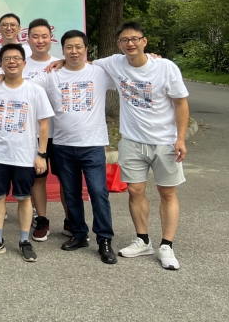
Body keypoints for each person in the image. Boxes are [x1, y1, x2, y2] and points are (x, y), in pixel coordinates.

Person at [95, 21, 189, 271]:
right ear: (118, 44)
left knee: (167, 193)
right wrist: (60, 62)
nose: (130, 43)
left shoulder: (165, 67)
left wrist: (180, 138)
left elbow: (181, 103)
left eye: (135, 39)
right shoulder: (114, 63)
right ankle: (143, 240)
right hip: (132, 141)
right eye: (125, 40)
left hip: (164, 142)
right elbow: (82, 64)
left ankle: (166, 245)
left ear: (144, 41)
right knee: (135, 191)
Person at [38, 30, 118, 264]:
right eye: (69, 48)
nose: (74, 51)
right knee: (71, 192)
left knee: (98, 192)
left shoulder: (99, 72)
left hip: (92, 145)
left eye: (78, 47)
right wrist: (1, 77)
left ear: (86, 49)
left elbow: (128, 69)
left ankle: (104, 239)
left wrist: (151, 57)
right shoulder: (52, 74)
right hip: (63, 145)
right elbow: (23, 85)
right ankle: (79, 234)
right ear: (62, 50)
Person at [0, 44, 53, 263]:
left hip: (24, 156)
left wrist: (41, 154)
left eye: (16, 58)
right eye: (7, 59)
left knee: (24, 198)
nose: (12, 62)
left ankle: (24, 241)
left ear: (24, 63)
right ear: (1, 64)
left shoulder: (35, 90)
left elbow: (44, 124)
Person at [22, 18, 65, 242]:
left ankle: (72, 220)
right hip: (31, 134)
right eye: (35, 36)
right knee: (38, 178)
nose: (40, 40)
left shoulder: (62, 63)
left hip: (60, 133)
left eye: (44, 36)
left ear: (51, 39)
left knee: (66, 179)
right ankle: (42, 219)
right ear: (28, 39)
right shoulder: (20, 64)